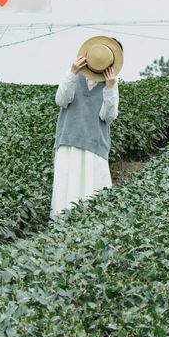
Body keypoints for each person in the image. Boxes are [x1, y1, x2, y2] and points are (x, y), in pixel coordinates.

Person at [50, 35, 124, 219]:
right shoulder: (74, 76)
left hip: (94, 146)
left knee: (93, 191)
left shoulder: (111, 85)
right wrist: (72, 72)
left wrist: (109, 87)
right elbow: (61, 100)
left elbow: (108, 116)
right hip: (69, 142)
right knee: (67, 188)